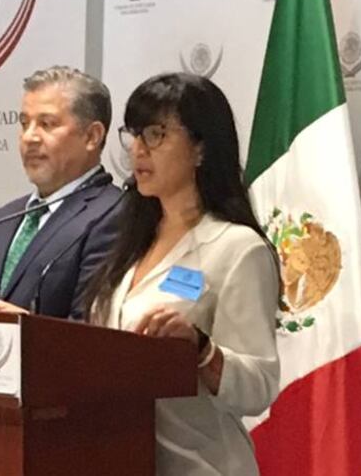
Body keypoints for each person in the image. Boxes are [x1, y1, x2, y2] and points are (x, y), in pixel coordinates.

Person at [81, 72, 280, 476]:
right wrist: (23, 325)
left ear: (201, 149)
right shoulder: (131, 244)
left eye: (155, 134)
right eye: (134, 134)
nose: (138, 150)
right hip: (124, 460)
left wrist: (202, 351)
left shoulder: (237, 249)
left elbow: (260, 385)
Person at [0, 66, 121, 319]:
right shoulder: (2, 221)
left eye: (46, 124)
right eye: (24, 123)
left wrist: (29, 330)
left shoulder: (114, 213)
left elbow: (91, 329)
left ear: (92, 136)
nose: (30, 137)